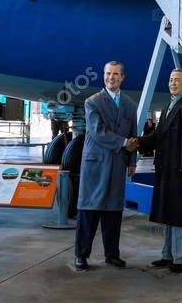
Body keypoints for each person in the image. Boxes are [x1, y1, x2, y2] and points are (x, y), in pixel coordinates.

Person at [74, 61, 138, 272]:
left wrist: (132, 160)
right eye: (108, 74)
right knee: (89, 212)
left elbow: (133, 134)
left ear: (122, 78)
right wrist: (122, 143)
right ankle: (81, 255)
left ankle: (112, 255)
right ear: (103, 76)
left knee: (113, 212)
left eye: (116, 74)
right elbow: (96, 131)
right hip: (96, 164)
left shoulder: (129, 104)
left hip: (118, 163)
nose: (111, 77)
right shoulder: (92, 102)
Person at [137, 68, 182, 274]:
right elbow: (158, 136)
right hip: (165, 168)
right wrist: (137, 142)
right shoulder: (168, 108)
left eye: (177, 80)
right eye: (170, 79)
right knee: (167, 212)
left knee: (180, 213)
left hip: (180, 170)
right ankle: (167, 255)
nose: (172, 83)